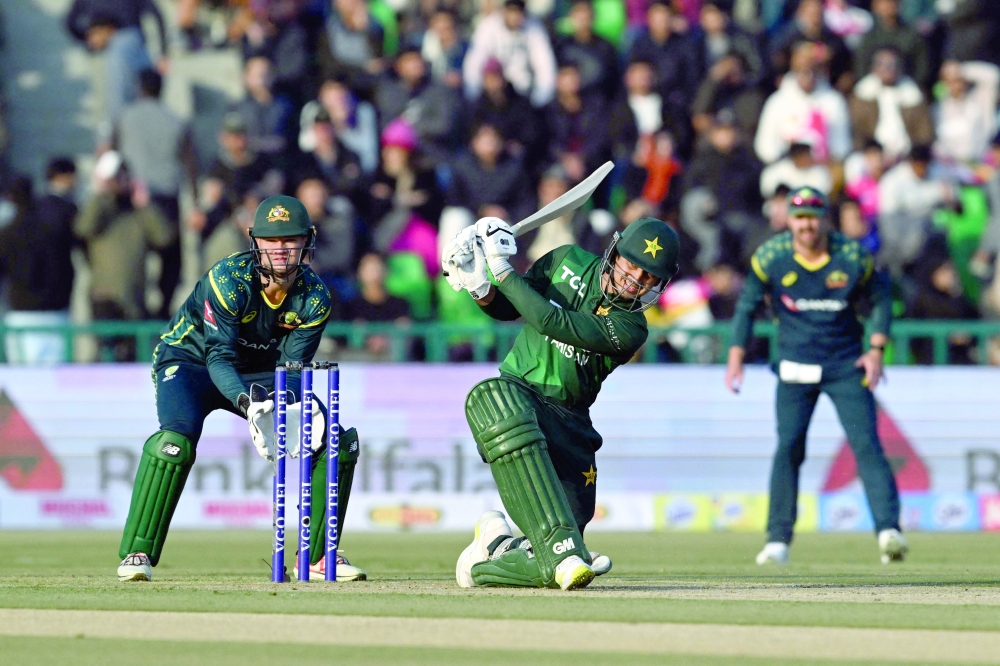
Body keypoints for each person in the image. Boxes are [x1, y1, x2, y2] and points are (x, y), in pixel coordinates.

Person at [117, 195, 365, 583]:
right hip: (190, 363)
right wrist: (250, 405)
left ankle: (316, 557)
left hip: (259, 370)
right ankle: (137, 552)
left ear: (307, 242)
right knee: (175, 443)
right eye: (271, 241)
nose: (281, 250)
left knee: (331, 440)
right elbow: (218, 357)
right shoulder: (228, 281)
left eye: (290, 240)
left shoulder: (315, 297)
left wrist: (285, 400)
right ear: (255, 242)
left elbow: (294, 368)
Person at [442, 214, 680, 590]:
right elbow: (511, 307)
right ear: (615, 252)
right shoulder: (565, 259)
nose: (636, 279)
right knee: (561, 549)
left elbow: (554, 321)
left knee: (560, 556)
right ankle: (533, 550)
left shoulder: (632, 328)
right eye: (632, 265)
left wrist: (501, 267)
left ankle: (489, 554)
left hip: (570, 419)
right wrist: (479, 284)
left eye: (649, 277)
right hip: (520, 394)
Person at [724, 186, 907, 566]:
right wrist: (736, 357)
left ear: (825, 218)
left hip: (845, 364)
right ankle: (777, 540)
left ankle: (890, 532)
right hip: (795, 366)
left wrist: (875, 350)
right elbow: (746, 307)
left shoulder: (853, 255)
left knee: (866, 444)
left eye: (813, 215)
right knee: (789, 447)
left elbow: (882, 299)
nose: (807, 224)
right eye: (799, 216)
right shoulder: (770, 258)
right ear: (788, 219)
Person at [74, 152, 175, 361]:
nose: (118, 183)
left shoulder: (138, 213)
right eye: (114, 178)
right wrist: (100, 193)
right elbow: (83, 228)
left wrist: (145, 204)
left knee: (132, 358)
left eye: (122, 177)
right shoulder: (101, 210)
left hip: (135, 300)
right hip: (104, 298)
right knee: (104, 356)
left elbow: (164, 238)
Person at [115, 69, 198, 318]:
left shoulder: (125, 116)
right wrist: (194, 201)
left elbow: (112, 151)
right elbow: (189, 163)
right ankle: (164, 308)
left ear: (140, 88)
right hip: (167, 196)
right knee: (170, 256)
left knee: (134, 253)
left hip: (134, 197)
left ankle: (137, 307)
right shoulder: (175, 120)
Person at [0, 170, 78, 364]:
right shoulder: (52, 231)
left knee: (22, 385)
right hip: (55, 314)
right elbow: (68, 270)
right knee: (55, 384)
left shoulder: (6, 234)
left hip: (19, 315)